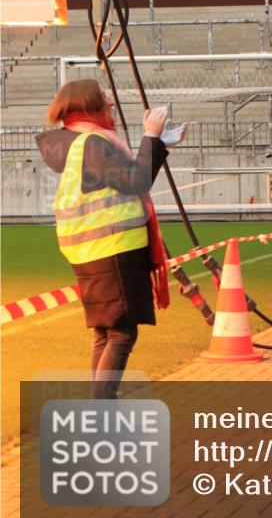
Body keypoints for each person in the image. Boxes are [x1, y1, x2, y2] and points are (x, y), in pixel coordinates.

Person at [36, 79, 184, 399]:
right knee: (121, 333)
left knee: (106, 332)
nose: (110, 103)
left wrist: (158, 144)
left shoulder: (77, 140)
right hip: (112, 245)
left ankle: (101, 408)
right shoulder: (92, 142)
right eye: (104, 98)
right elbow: (135, 179)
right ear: (89, 104)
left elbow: (129, 176)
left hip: (91, 248)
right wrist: (151, 136)